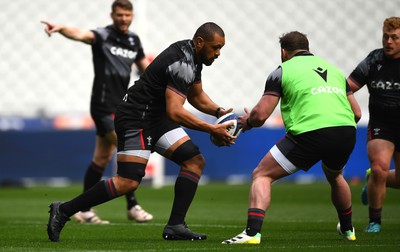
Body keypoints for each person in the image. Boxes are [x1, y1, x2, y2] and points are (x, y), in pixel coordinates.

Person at [47, 21, 236, 242]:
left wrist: (218, 111)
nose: (218, 53)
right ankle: (64, 210)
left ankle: (175, 225)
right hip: (135, 118)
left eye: (221, 48)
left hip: (157, 119)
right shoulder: (182, 62)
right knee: (127, 181)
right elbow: (175, 112)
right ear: (200, 42)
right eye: (216, 47)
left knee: (194, 161)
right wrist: (212, 128)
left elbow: (196, 96)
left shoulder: (193, 57)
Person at [222, 31, 361, 245]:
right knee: (335, 175)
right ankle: (347, 229)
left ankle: (251, 233)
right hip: (346, 131)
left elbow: (260, 115)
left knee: (262, 174)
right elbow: (357, 113)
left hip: (311, 132)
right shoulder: (335, 70)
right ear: (307, 48)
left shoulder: (281, 71)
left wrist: (246, 123)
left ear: (283, 52)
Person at [41, 0, 153, 224]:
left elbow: (146, 69)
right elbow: (81, 34)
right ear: (112, 15)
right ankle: (132, 205)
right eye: (119, 14)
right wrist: (61, 28)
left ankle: (84, 209)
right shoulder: (102, 35)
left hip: (121, 107)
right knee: (128, 148)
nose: (123, 18)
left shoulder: (134, 40)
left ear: (132, 16)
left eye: (127, 15)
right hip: (102, 106)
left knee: (101, 158)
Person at [347, 16, 400, 233]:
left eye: (394, 38)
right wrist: (353, 109)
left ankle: (372, 182)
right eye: (386, 37)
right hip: (382, 125)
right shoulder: (374, 60)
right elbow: (347, 86)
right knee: (380, 167)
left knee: (383, 176)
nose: (388, 42)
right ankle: (374, 221)